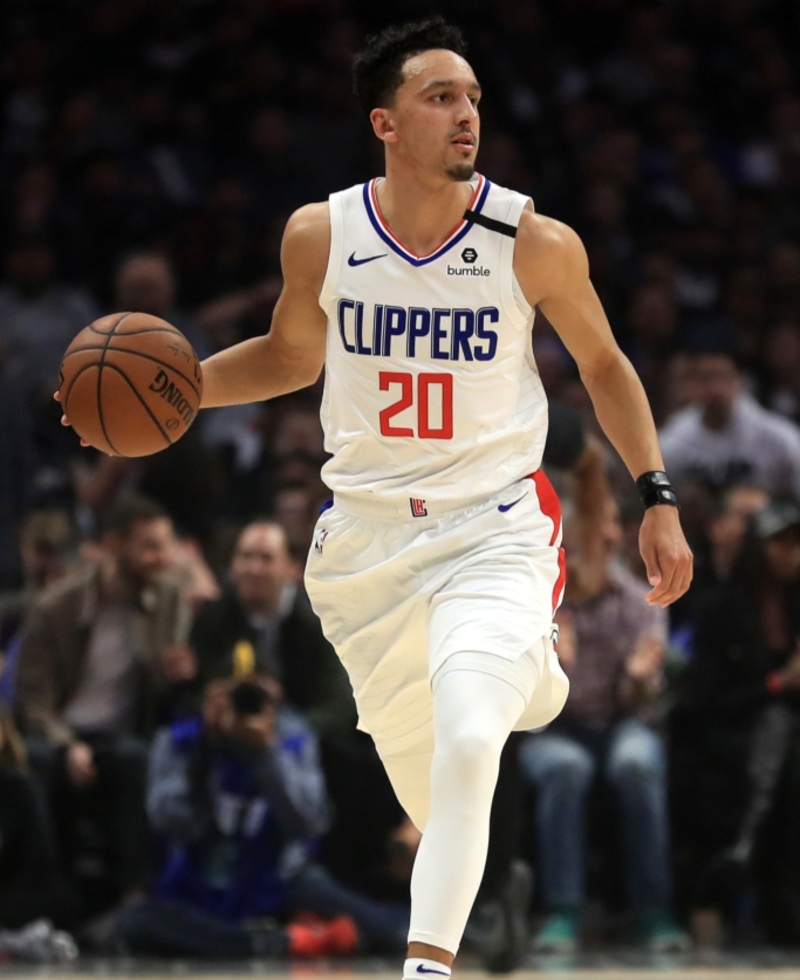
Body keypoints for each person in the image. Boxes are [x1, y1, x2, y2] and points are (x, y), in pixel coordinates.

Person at [58, 16, 693, 975]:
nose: (466, 113)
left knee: (474, 734)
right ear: (385, 122)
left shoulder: (533, 242)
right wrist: (176, 390)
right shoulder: (324, 233)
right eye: (441, 97)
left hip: (494, 529)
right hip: (367, 552)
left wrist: (657, 494)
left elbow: (604, 365)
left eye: (473, 96)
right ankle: (529, 704)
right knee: (441, 802)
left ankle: (425, 967)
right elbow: (286, 357)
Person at [115, 676, 407, 958]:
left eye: (253, 696)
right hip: (200, 882)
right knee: (135, 922)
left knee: (394, 932)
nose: (241, 707)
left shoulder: (293, 738)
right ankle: (280, 942)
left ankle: (256, 940)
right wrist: (204, 752)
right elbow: (171, 824)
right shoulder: (179, 739)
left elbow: (309, 825)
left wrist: (267, 754)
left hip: (279, 881)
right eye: (231, 696)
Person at [519, 476, 687, 952]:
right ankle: (562, 911)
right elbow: (523, 705)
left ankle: (655, 910)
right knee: (565, 768)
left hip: (620, 724)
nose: (615, 537)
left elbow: (644, 702)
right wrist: (554, 670)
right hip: (554, 729)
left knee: (637, 762)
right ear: (570, 536)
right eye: (604, 526)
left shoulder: (640, 599)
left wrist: (637, 679)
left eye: (616, 526)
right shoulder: (537, 601)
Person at [14, 494, 192, 903]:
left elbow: (165, 686)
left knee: (136, 759)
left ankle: (134, 897)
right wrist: (68, 744)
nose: (162, 558)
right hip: (57, 730)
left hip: (119, 736)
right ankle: (42, 894)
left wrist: (176, 673)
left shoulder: (167, 599)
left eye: (165, 546)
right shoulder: (57, 606)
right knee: (36, 764)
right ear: (114, 546)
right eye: (149, 547)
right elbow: (33, 699)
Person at [189, 520, 356, 736]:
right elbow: (194, 689)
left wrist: (285, 732)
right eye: (246, 557)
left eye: (266, 558)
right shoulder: (213, 617)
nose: (254, 569)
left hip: (301, 741)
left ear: (292, 569)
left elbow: (339, 704)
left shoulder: (320, 623)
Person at [659, 349, 800, 499]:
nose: (715, 389)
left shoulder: (778, 438)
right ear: (692, 385)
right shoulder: (673, 440)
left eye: (721, 377)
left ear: (738, 380)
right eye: (705, 379)